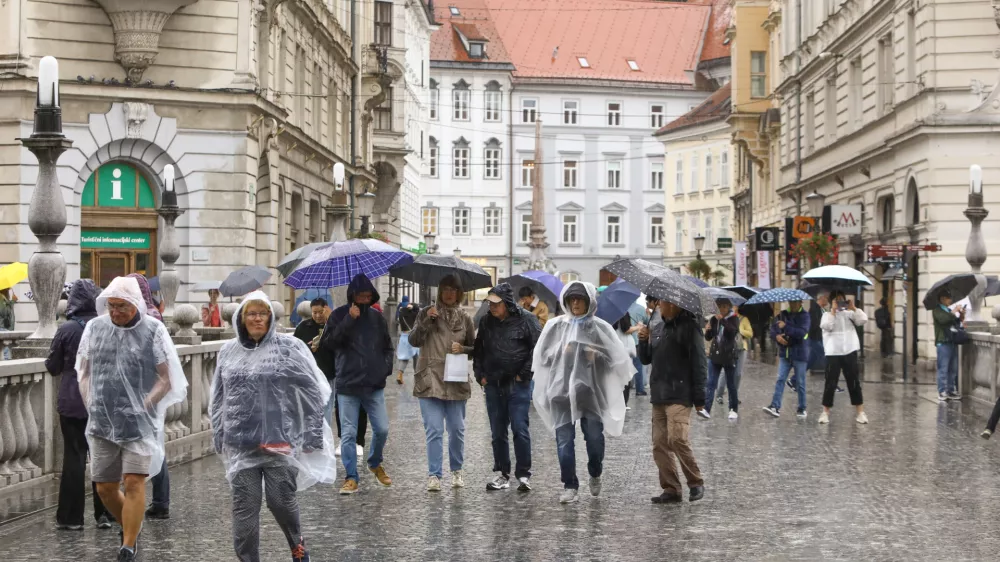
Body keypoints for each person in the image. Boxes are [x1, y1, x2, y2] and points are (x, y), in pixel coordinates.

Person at [211, 292, 335, 562]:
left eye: (262, 313)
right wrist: (218, 431)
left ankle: (297, 548)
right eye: (251, 314)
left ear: (271, 317)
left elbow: (313, 391)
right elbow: (218, 395)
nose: (257, 318)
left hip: (279, 440)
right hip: (241, 442)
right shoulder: (229, 351)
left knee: (281, 502)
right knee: (245, 510)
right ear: (241, 319)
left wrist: (312, 434)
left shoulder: (287, 348)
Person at [76, 276, 187, 562]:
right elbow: (84, 371)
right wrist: (90, 402)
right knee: (104, 487)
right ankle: (130, 524)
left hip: (139, 423)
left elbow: (166, 378)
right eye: (111, 306)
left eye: (122, 306)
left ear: (135, 304)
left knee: (135, 482)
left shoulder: (153, 331)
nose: (115, 312)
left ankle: (128, 545)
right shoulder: (94, 328)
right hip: (102, 421)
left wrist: (145, 404)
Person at [533, 282, 633, 503]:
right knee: (564, 442)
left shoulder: (600, 328)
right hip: (560, 393)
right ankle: (569, 484)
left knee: (595, 440)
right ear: (566, 301)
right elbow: (541, 357)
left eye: (580, 298)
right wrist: (562, 351)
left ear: (589, 302)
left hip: (590, 394)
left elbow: (617, 362)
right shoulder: (555, 327)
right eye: (572, 299)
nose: (576, 302)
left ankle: (595, 471)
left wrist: (595, 356)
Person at [48, 279, 113, 531]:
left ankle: (71, 517)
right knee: (103, 457)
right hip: (102, 400)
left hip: (72, 402)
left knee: (73, 458)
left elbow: (53, 366)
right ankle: (105, 513)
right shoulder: (105, 326)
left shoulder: (67, 329)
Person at [321, 273, 394, 495]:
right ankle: (351, 476)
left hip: (373, 385)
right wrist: (348, 321)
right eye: (360, 295)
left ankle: (374, 461)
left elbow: (387, 347)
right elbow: (329, 343)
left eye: (367, 295)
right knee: (349, 434)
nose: (364, 299)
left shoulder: (377, 318)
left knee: (382, 429)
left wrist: (384, 369)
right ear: (352, 295)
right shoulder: (338, 316)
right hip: (348, 385)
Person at [406, 276, 476, 492]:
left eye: (453, 290)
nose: (449, 293)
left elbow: (475, 350)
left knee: (457, 429)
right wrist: (427, 320)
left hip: (455, 380)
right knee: (434, 430)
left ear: (458, 293)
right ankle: (434, 475)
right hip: (430, 379)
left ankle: (457, 470)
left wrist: (462, 349)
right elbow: (413, 341)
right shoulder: (425, 313)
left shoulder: (465, 318)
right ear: (439, 292)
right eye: (445, 289)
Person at [473, 283, 541, 492]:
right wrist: (480, 376)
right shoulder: (486, 322)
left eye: (496, 304)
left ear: (507, 303)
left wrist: (524, 374)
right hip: (493, 383)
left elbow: (538, 348)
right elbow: (479, 350)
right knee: (497, 431)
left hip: (518, 384)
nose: (492, 307)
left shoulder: (527, 319)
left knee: (520, 428)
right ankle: (502, 473)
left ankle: (523, 474)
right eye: (490, 303)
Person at [638, 297, 706, 504]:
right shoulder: (658, 326)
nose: (659, 307)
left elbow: (699, 362)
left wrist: (700, 397)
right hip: (659, 393)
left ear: (673, 305)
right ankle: (671, 489)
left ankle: (695, 482)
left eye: (662, 304)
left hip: (680, 392)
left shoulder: (690, 328)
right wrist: (643, 341)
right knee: (659, 443)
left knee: (676, 438)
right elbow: (646, 359)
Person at [125, 273, 172, 521]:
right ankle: (160, 500)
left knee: (146, 446)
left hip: (146, 391)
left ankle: (151, 499)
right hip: (153, 389)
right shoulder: (155, 312)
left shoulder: (147, 318)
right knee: (154, 445)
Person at [294, 297, 365, 459]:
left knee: (328, 406)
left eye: (320, 312)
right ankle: (313, 439)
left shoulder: (333, 325)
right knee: (312, 408)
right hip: (310, 375)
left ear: (326, 309)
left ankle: (326, 440)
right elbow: (296, 348)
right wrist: (309, 348)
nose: (317, 316)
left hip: (332, 372)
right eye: (314, 313)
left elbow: (342, 345)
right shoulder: (304, 327)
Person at [819, 291, 869, 425]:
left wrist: (853, 308)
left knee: (854, 382)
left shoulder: (850, 314)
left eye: (842, 300)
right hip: (833, 352)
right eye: (837, 300)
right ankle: (825, 412)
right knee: (830, 383)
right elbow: (826, 326)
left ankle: (860, 412)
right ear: (832, 302)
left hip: (849, 350)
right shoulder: (826, 315)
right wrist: (833, 312)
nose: (840, 303)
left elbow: (863, 319)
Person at [763, 300, 810, 419]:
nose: (792, 305)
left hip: (799, 354)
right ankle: (775, 406)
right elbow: (773, 329)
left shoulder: (805, 316)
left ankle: (802, 408)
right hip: (785, 353)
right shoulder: (782, 314)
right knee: (780, 379)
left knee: (800, 382)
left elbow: (801, 332)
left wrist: (786, 326)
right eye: (791, 302)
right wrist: (777, 336)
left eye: (795, 303)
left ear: (800, 303)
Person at [703, 299, 740, 420]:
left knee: (730, 384)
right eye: (719, 306)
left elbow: (732, 333)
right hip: (715, 355)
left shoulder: (734, 318)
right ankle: (707, 409)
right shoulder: (714, 319)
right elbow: (709, 337)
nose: (721, 309)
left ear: (728, 307)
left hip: (729, 355)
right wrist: (708, 330)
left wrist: (722, 320)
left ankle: (733, 409)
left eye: (724, 307)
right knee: (711, 383)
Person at [932, 290, 965, 402]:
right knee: (943, 368)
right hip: (943, 342)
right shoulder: (937, 310)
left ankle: (951, 390)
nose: (950, 300)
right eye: (948, 298)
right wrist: (953, 311)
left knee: (953, 369)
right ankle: (942, 391)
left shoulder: (948, 310)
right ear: (942, 299)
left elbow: (955, 323)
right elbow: (943, 320)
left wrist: (961, 315)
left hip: (952, 341)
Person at [717, 306, 753, 405]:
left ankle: (733, 397)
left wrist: (739, 330)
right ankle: (719, 395)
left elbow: (750, 333)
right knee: (725, 372)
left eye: (734, 306)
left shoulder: (744, 319)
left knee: (737, 373)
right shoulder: (723, 318)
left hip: (741, 348)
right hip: (727, 348)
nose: (732, 307)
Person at [614, 313, 639, 409]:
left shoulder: (609, 314)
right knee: (626, 377)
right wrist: (638, 327)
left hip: (615, 347)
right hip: (624, 348)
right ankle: (623, 402)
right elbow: (626, 329)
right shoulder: (623, 313)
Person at [395, 294, 421, 385]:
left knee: (404, 358)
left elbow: (397, 317)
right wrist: (413, 305)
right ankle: (417, 376)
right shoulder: (414, 314)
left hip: (404, 337)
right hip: (413, 336)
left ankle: (399, 374)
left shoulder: (401, 313)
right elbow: (418, 309)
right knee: (416, 357)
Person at [628, 301, 649, 395]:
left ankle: (624, 389)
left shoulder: (623, 309)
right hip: (636, 341)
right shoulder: (641, 308)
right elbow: (647, 322)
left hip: (623, 342)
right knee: (638, 366)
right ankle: (639, 389)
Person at [807, 292, 829, 374]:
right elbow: (814, 324)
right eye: (827, 298)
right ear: (822, 298)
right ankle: (833, 383)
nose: (828, 300)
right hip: (815, 338)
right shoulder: (814, 309)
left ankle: (794, 379)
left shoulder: (822, 310)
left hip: (819, 338)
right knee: (826, 356)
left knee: (811, 360)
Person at [0, 287, 16, 359]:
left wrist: (12, 301)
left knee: (6, 350)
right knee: (6, 352)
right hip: (2, 327)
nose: (9, 292)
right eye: (7, 289)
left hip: (5, 327)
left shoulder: (3, 299)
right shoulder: (1, 298)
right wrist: (10, 302)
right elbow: (4, 312)